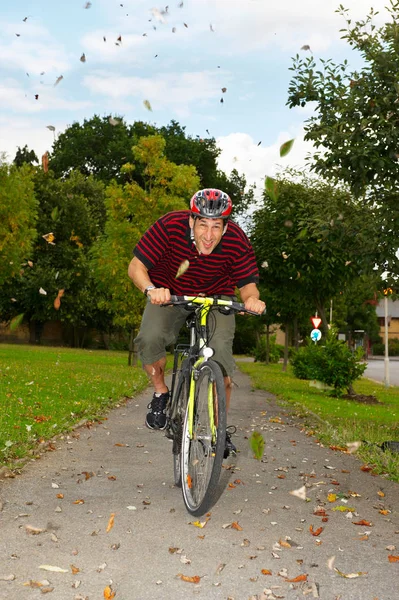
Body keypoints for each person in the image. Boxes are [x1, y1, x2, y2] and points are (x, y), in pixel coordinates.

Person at [128, 188, 265, 457]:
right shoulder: (169, 226)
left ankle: (218, 427)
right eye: (203, 224)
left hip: (216, 297)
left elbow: (248, 285)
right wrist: (150, 289)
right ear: (192, 221)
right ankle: (160, 393)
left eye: (216, 226)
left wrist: (252, 301)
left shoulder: (236, 240)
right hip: (169, 293)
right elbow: (136, 266)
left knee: (222, 362)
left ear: (226, 227)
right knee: (150, 338)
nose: (209, 235)